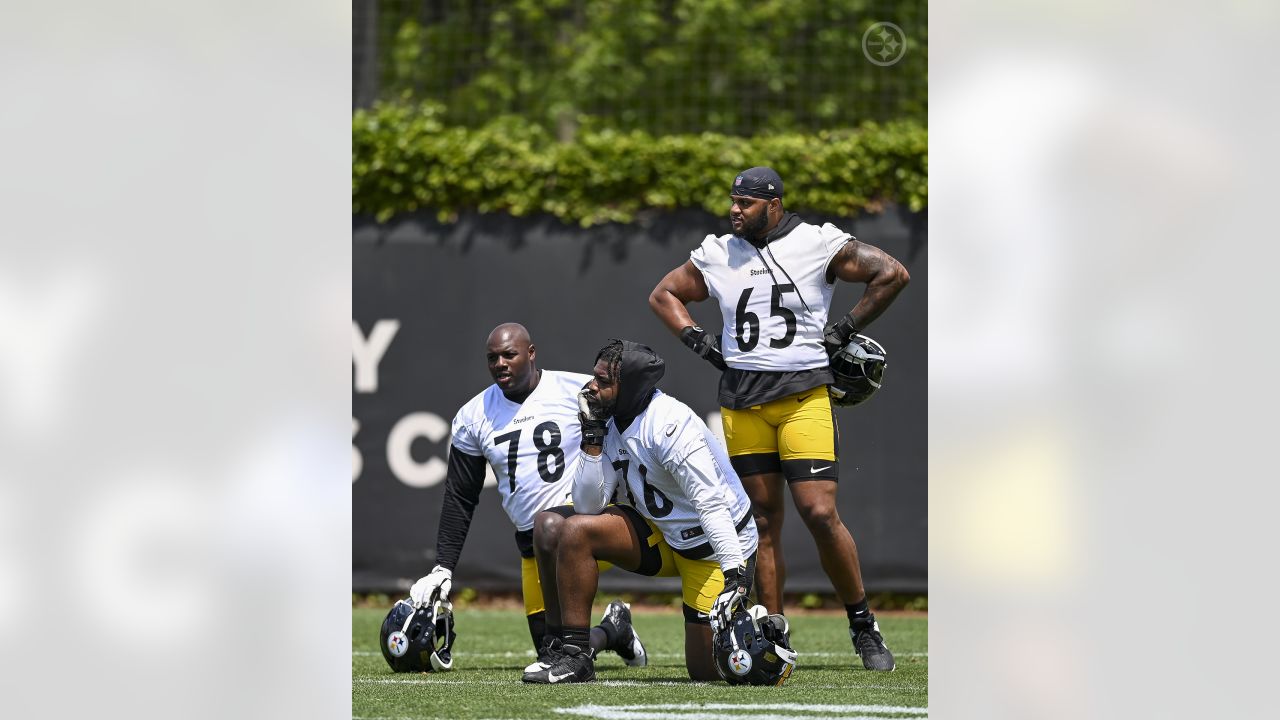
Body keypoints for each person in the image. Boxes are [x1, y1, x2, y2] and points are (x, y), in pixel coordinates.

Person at [648, 167, 910, 671]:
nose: (734, 210)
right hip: (743, 402)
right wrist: (700, 342)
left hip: (802, 397)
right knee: (763, 524)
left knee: (819, 513)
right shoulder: (719, 252)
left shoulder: (816, 243)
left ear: (773, 205)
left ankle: (862, 625)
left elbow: (892, 273)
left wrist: (844, 329)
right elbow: (664, 294)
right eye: (732, 201)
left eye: (745, 203)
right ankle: (774, 630)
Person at [407, 323, 646, 669]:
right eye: (492, 358)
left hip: (588, 526)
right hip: (533, 547)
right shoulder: (473, 416)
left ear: (531, 353)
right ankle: (614, 630)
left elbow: (633, 427)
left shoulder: (573, 389)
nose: (500, 363)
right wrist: (443, 566)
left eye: (509, 354)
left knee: (561, 645)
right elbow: (461, 494)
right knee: (553, 650)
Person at [523, 340, 758, 684]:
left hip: (711, 548)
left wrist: (734, 575)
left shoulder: (670, 426)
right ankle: (568, 652)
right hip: (661, 531)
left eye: (603, 381)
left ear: (629, 387)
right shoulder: (612, 419)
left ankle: (754, 622)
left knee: (707, 671)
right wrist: (592, 437)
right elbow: (589, 506)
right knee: (558, 526)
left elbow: (711, 503)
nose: (591, 387)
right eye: (595, 377)